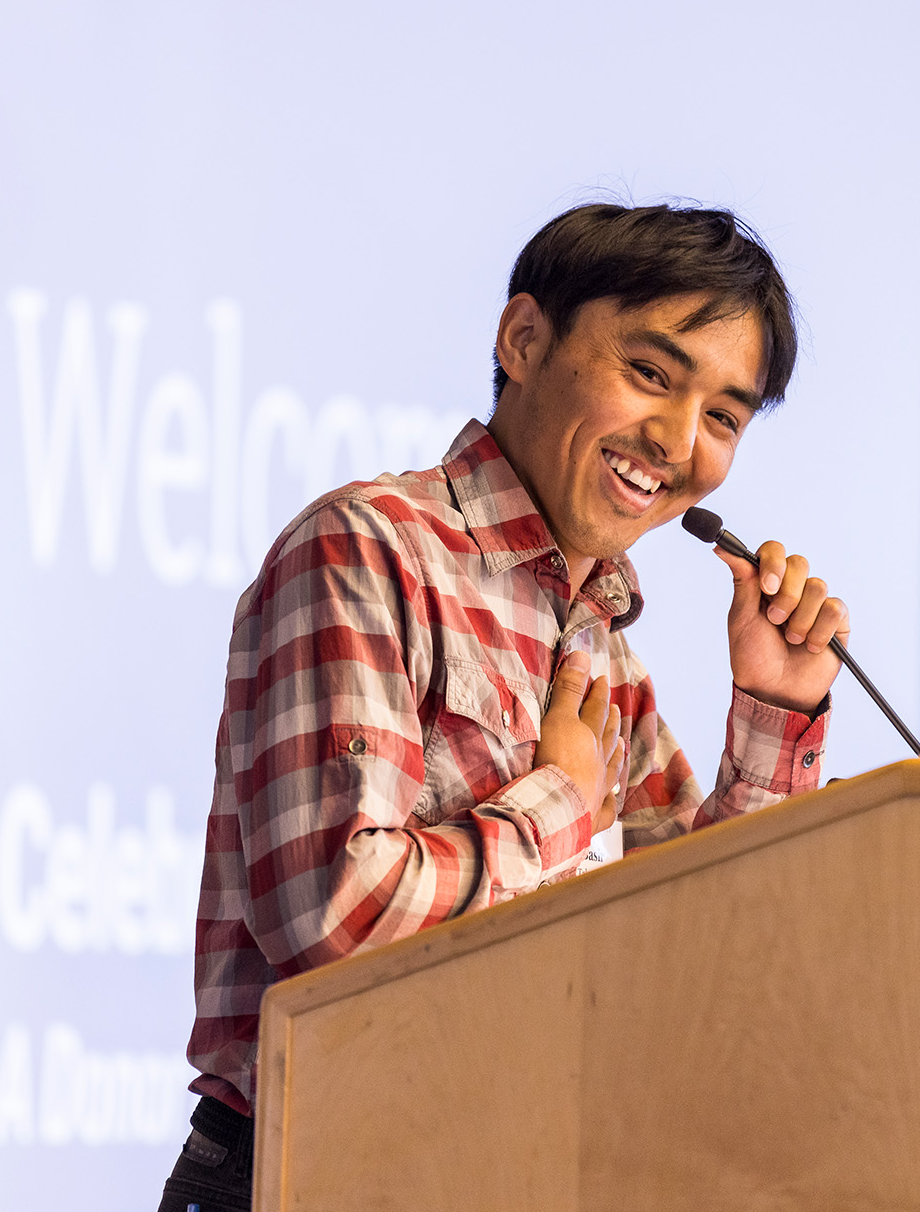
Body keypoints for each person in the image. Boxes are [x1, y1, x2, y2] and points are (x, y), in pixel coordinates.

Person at [157, 202, 851, 1212]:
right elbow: (334, 913)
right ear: (523, 339)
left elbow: (707, 974)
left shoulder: (601, 648)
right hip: (312, 1168)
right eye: (651, 375)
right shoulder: (368, 548)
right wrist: (559, 805)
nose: (675, 439)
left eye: (722, 417)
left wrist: (773, 712)